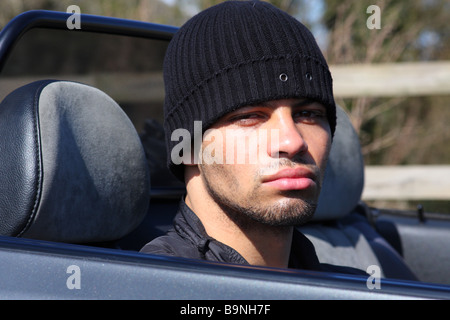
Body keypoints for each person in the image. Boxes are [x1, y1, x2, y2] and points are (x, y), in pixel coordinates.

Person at [141, 0, 365, 275]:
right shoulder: (155, 286)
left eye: (308, 113)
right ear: (187, 147)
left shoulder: (353, 286)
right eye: (249, 116)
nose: (292, 142)